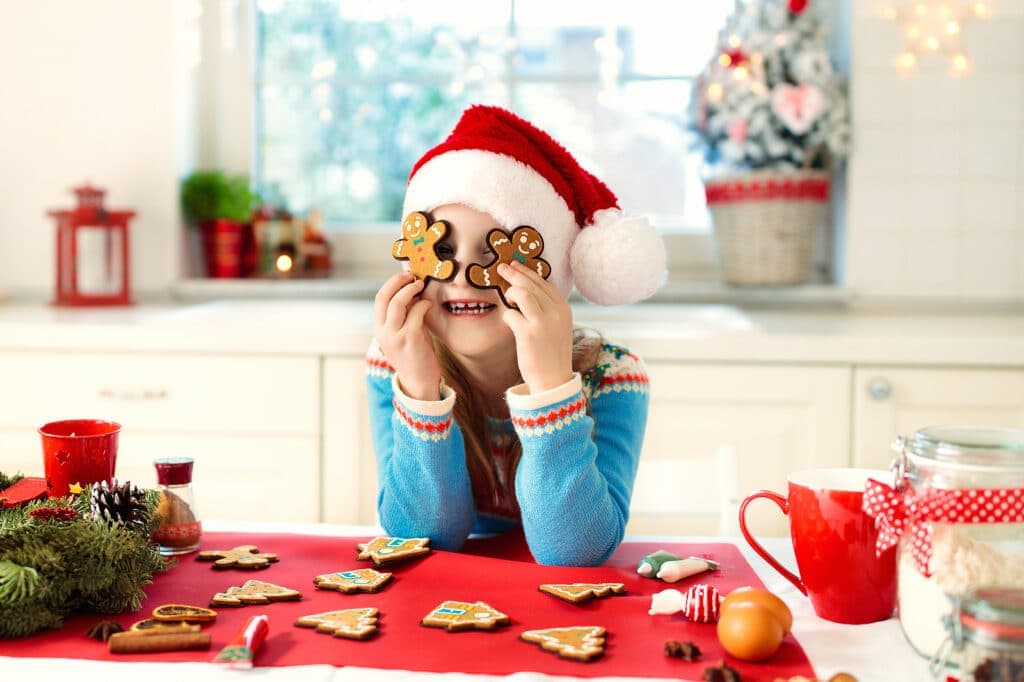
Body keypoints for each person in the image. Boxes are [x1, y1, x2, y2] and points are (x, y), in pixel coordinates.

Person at [367, 105, 666, 566]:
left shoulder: (611, 375)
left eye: (494, 254)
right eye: (441, 251)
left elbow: (574, 551)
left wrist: (550, 388)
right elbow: (422, 540)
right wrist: (420, 392)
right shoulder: (395, 361)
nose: (463, 277)